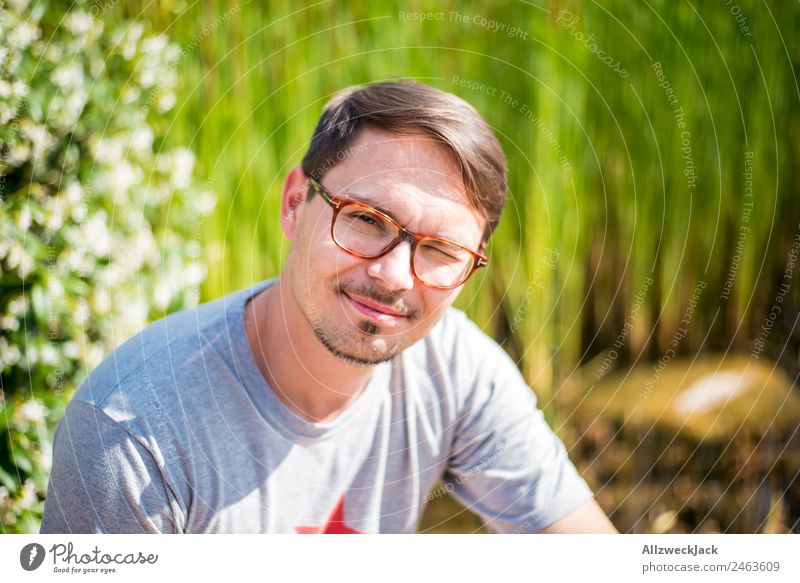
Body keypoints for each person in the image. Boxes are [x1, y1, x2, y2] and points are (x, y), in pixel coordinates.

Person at [41, 80, 617, 534]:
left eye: (441, 249)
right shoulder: (136, 429)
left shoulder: (456, 369)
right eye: (367, 220)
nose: (393, 275)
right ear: (295, 204)